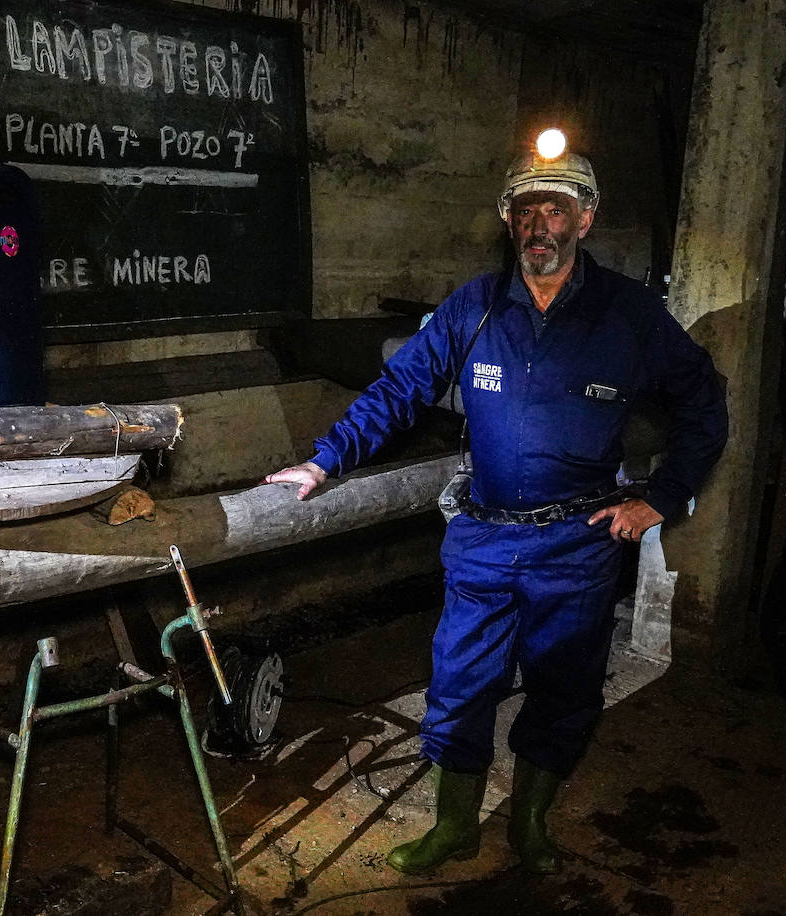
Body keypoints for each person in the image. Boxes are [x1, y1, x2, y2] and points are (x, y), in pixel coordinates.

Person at [264, 139, 728, 875]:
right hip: (481, 537)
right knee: (459, 686)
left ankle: (530, 823)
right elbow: (398, 391)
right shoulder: (474, 307)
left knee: (564, 689)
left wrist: (660, 500)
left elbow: (705, 403)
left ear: (586, 219)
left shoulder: (628, 317)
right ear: (509, 221)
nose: (539, 223)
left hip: (579, 544)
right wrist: (325, 461)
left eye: (557, 207)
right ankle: (454, 827)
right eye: (525, 209)